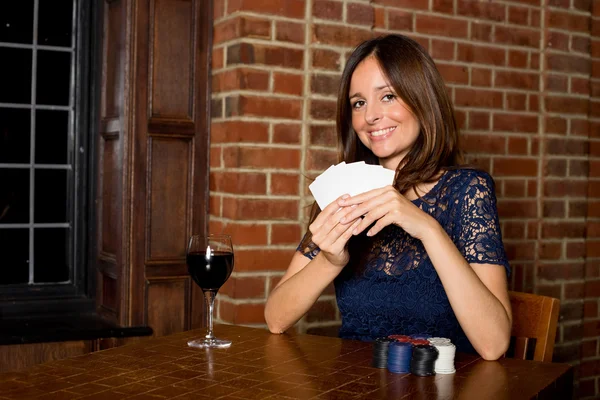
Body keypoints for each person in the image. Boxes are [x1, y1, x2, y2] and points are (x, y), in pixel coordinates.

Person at [264, 34, 512, 360]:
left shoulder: (468, 190)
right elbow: (275, 319)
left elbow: (494, 345)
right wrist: (329, 260)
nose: (370, 116)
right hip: (352, 387)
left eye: (388, 96)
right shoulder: (345, 192)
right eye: (359, 103)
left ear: (422, 99)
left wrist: (428, 228)